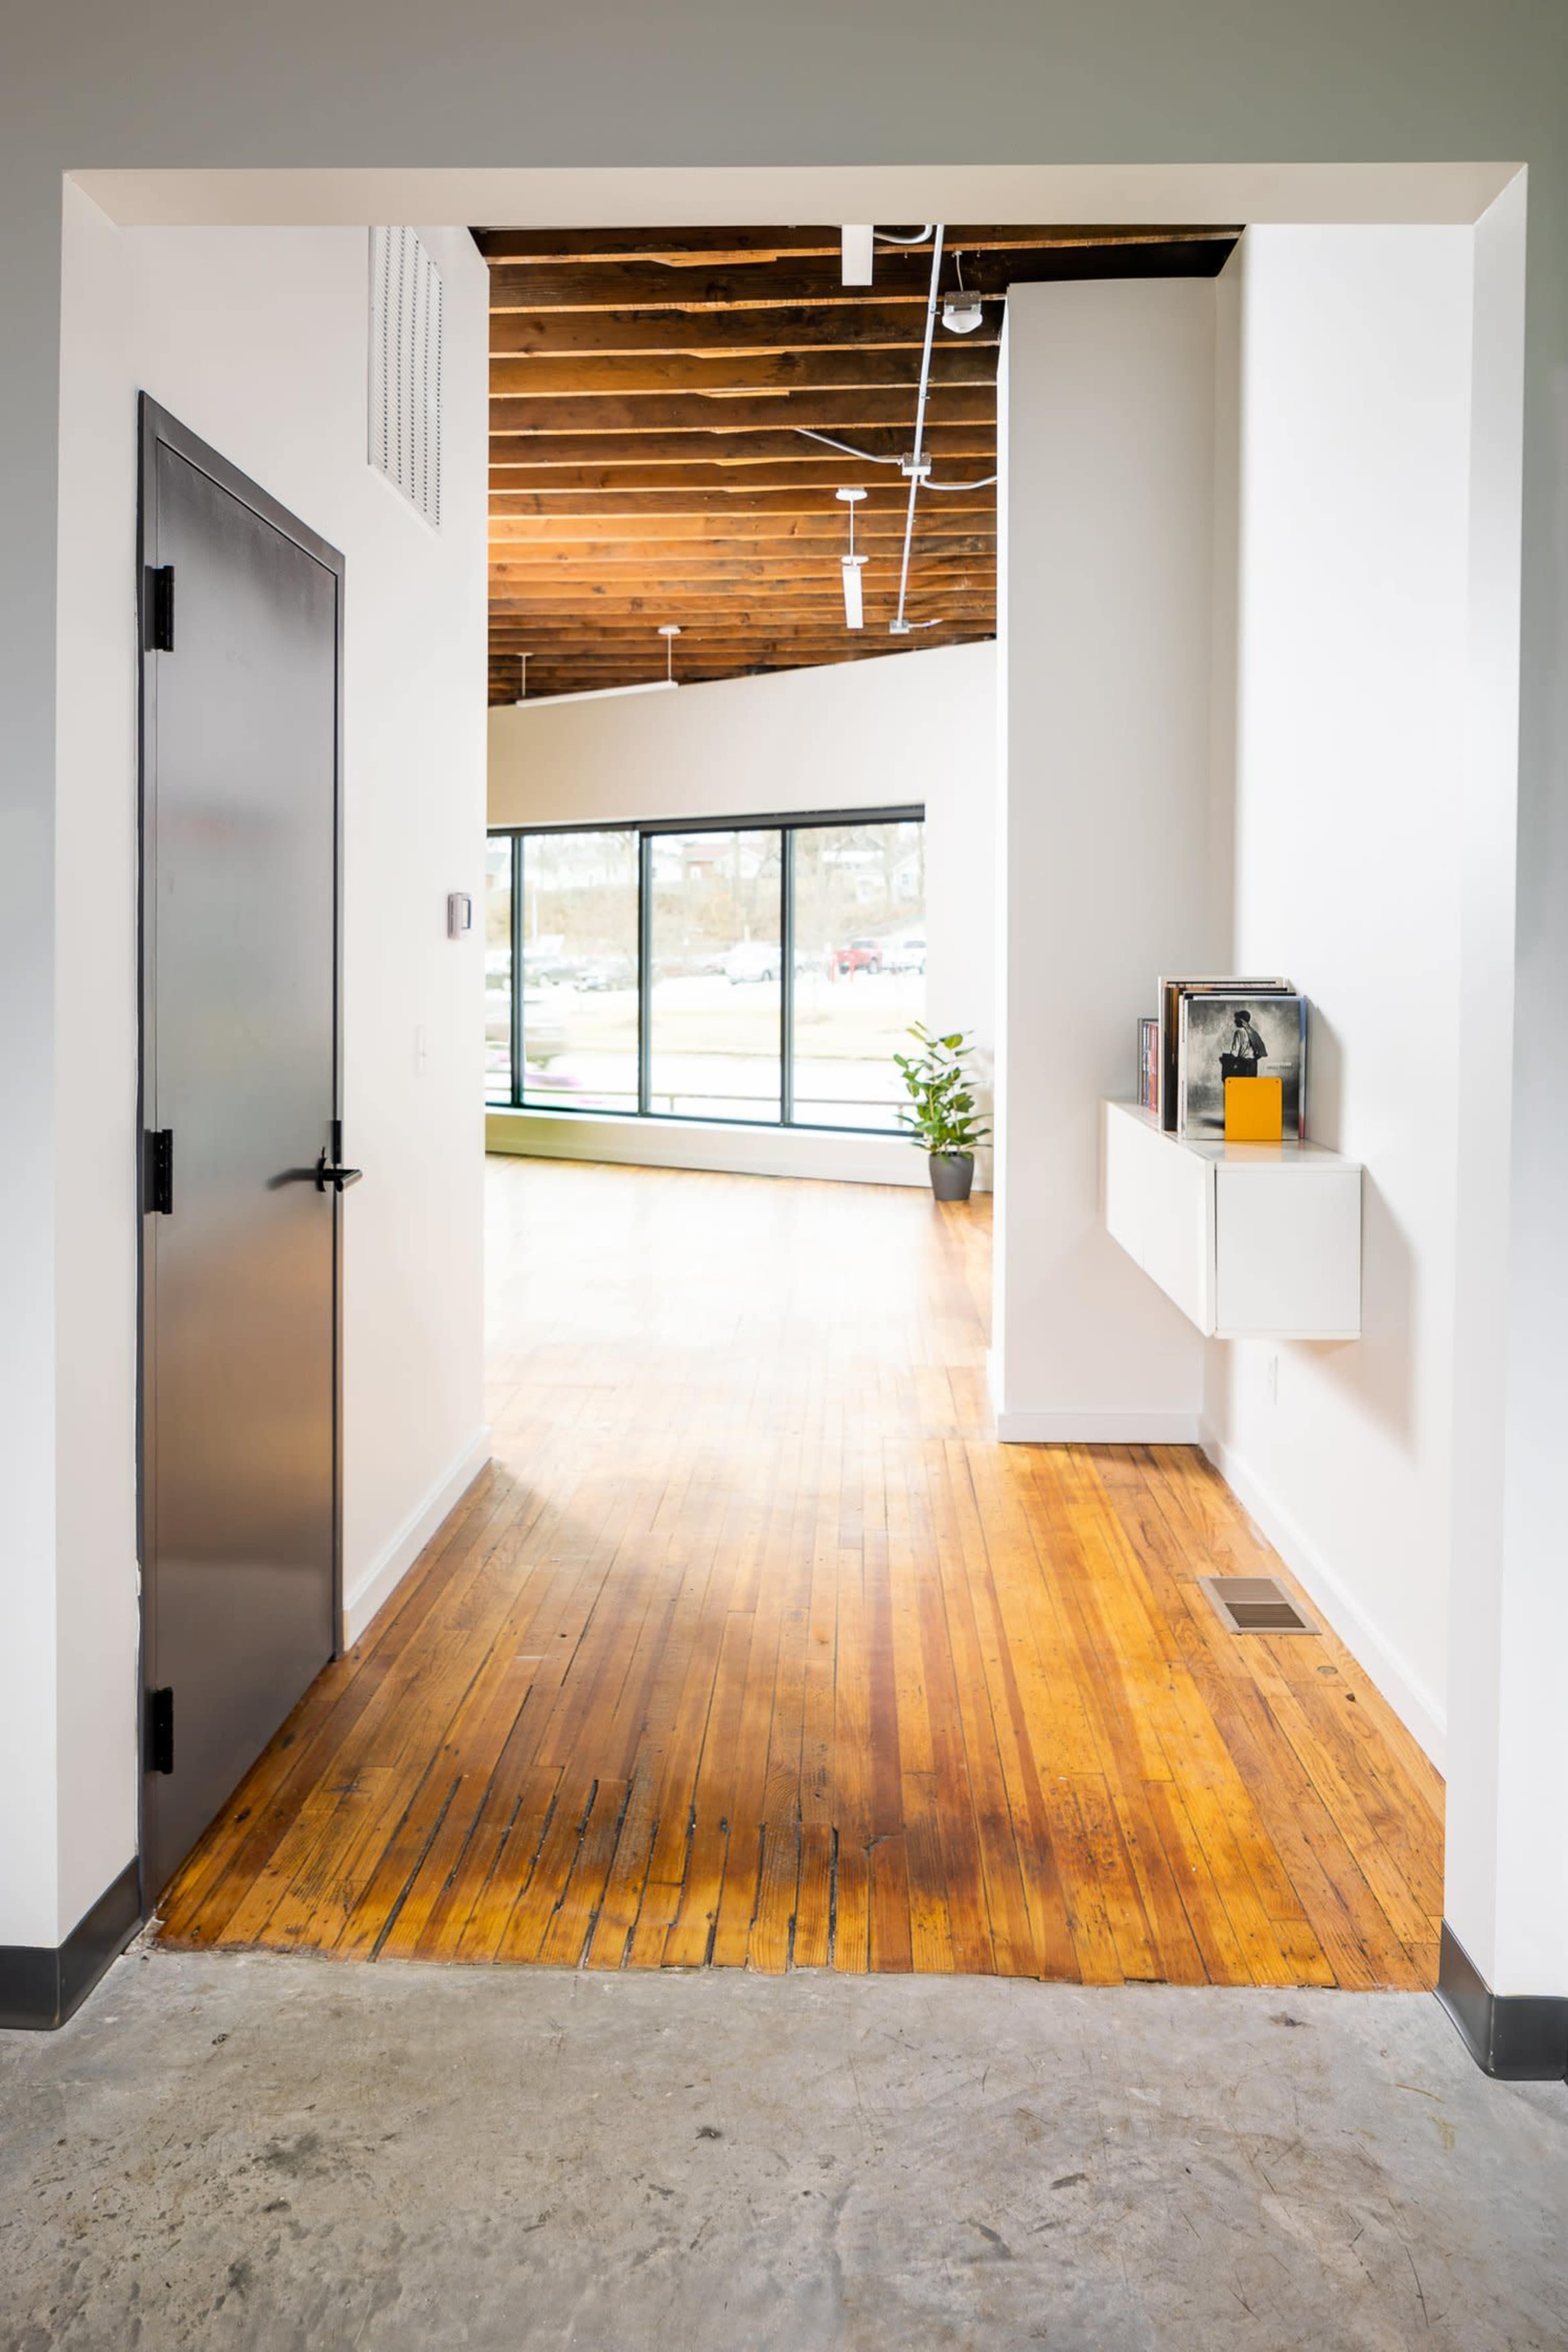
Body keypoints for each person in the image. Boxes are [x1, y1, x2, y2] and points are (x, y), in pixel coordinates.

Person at [1222, 1009, 1268, 1078]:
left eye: (1237, 1019)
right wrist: (1254, 1059)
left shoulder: (1239, 1032)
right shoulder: (1254, 1033)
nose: (1235, 1021)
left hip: (1243, 1065)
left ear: (1241, 1021)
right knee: (1251, 1087)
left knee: (1241, 1087)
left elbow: (1235, 1053)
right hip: (1253, 1066)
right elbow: (1261, 1051)